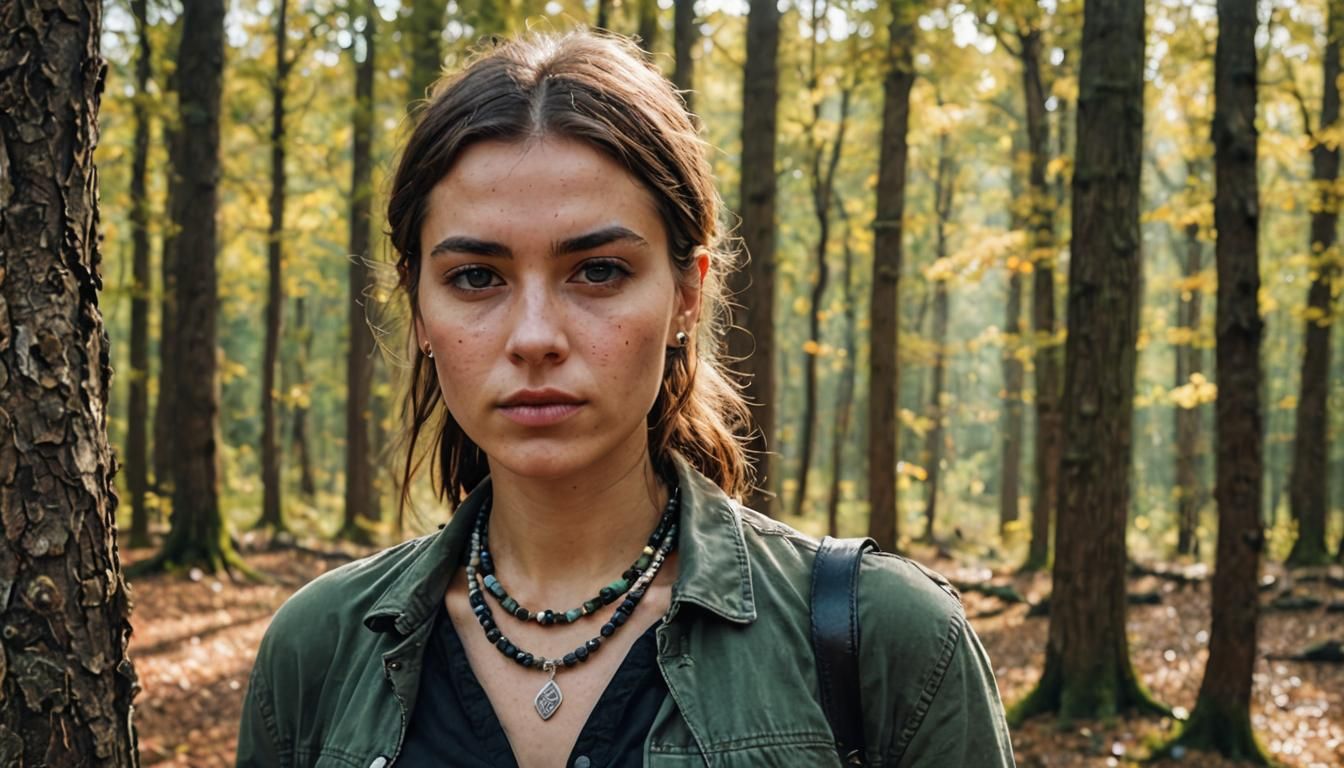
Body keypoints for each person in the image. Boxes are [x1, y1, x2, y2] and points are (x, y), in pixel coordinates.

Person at [237, 29, 1014, 768]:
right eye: (476, 277)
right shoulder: (318, 651)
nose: (535, 336)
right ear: (419, 311)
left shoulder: (883, 641)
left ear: (686, 293)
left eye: (598, 270)